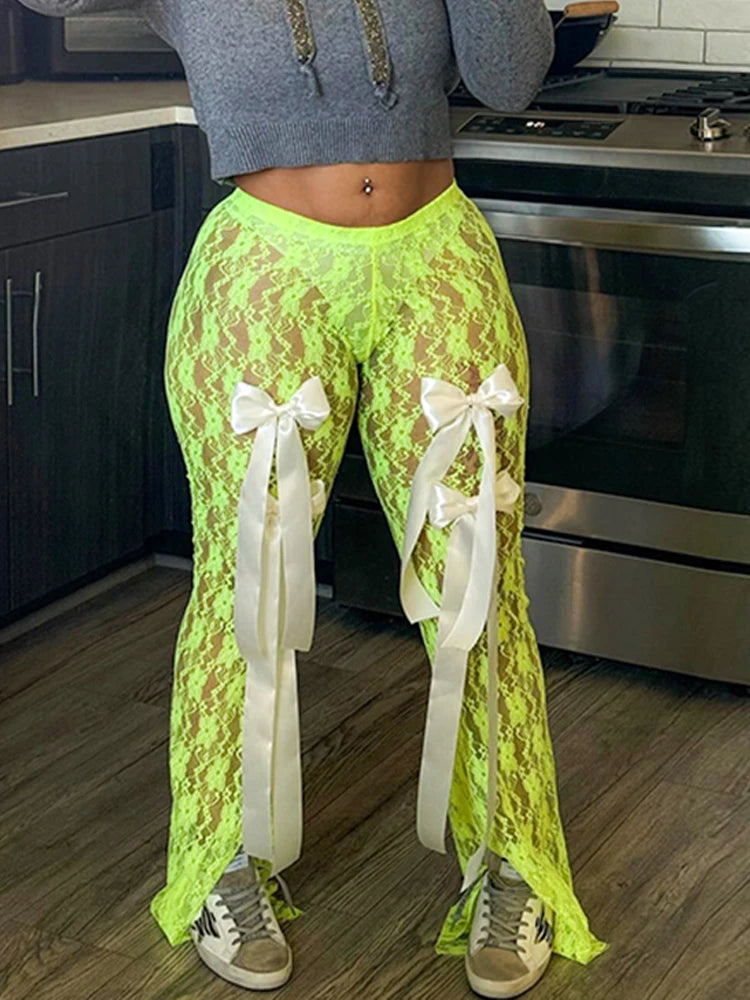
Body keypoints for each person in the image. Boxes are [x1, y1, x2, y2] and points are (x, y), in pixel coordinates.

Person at [21, 1, 610, 995]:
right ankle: (224, 863)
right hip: (264, 268)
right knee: (243, 584)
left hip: (437, 255)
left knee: (477, 579)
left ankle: (512, 860)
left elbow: (511, 74)